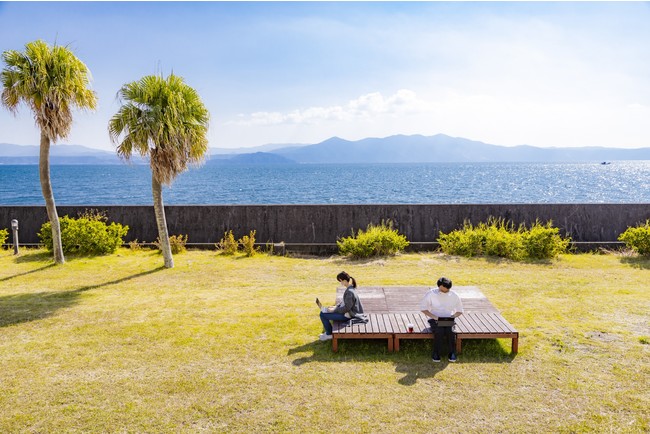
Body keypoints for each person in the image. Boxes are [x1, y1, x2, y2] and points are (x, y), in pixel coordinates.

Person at [419, 277, 464, 362]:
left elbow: (460, 311)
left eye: (447, 290)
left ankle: (452, 353)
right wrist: (435, 317)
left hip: (449, 318)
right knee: (439, 331)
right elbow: (423, 308)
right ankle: (436, 353)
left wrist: (452, 317)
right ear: (439, 286)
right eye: (443, 290)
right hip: (435, 318)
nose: (445, 292)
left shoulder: (454, 295)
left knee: (450, 331)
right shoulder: (431, 294)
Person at [318, 271, 365, 341]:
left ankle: (329, 334)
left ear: (345, 281)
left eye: (340, 281)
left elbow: (346, 308)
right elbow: (344, 303)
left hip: (348, 315)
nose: (340, 283)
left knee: (323, 314)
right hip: (346, 312)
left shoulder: (349, 292)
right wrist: (335, 307)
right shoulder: (350, 288)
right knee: (325, 312)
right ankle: (328, 332)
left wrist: (334, 310)